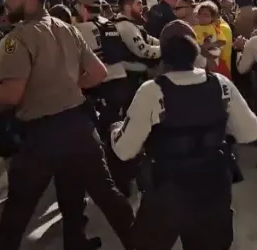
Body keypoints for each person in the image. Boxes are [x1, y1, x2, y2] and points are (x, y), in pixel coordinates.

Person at [0, 0, 134, 250]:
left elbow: (11, 93)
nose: (5, 1)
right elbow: (97, 72)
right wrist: (67, 89)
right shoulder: (66, 28)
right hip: (79, 127)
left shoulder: (16, 40)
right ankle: (116, 242)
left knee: (17, 211)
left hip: (40, 136)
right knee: (102, 194)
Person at [110, 20, 257, 250]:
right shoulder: (221, 85)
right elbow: (250, 132)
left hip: (167, 193)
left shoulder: (151, 91)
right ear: (196, 53)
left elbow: (124, 151)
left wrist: (116, 129)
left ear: (163, 58)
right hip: (213, 190)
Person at [75, 0, 133, 196]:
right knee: (119, 130)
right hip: (121, 82)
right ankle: (126, 177)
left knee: (104, 138)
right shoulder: (109, 24)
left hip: (101, 86)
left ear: (82, 7)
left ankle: (115, 184)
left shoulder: (80, 29)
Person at [114, 0, 161, 111]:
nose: (142, 7)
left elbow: (150, 40)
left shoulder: (131, 24)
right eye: (138, 4)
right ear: (127, 7)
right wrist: (166, 49)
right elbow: (144, 51)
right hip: (134, 78)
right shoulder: (126, 26)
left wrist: (165, 43)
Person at [193, 1, 231, 79]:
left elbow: (222, 41)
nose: (202, 17)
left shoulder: (215, 28)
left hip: (213, 52)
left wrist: (211, 45)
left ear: (212, 17)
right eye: (200, 14)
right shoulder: (193, 29)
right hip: (200, 54)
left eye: (206, 15)